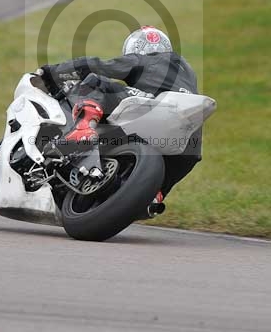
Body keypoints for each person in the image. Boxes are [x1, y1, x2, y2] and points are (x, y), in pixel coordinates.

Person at [38, 26, 202, 212]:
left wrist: (52, 73)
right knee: (185, 158)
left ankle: (83, 128)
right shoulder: (188, 69)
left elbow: (97, 65)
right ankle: (154, 195)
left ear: (135, 48)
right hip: (188, 140)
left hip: (154, 105)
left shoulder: (144, 58)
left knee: (96, 82)